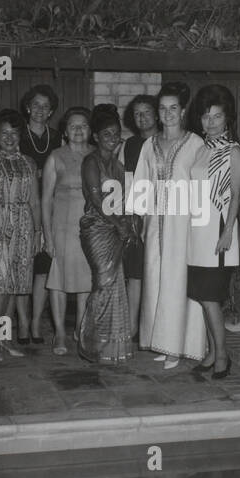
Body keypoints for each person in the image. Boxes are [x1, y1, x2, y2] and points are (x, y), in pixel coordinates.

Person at [133, 82, 207, 370]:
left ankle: (179, 346)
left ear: (183, 111)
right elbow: (141, 184)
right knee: (155, 281)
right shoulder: (149, 145)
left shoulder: (195, 144)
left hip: (183, 225)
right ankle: (162, 342)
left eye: (173, 108)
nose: (167, 114)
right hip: (155, 224)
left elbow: (201, 187)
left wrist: (199, 226)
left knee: (178, 283)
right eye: (162, 109)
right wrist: (140, 219)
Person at [187, 84, 240, 379]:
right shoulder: (200, 149)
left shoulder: (232, 151)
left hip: (218, 232)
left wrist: (227, 233)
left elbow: (236, 195)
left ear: (227, 119)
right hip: (198, 232)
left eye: (216, 117)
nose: (210, 122)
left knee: (210, 297)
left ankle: (222, 355)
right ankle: (212, 351)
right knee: (202, 295)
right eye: (205, 117)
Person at [0, 109, 41, 362]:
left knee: (15, 287)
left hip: (23, 226)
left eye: (14, 133)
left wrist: (37, 232)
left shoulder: (29, 163)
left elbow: (34, 201)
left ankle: (5, 337)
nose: (10, 138)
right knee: (0, 287)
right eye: (4, 133)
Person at [78, 105, 138, 363]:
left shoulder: (119, 164)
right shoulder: (91, 161)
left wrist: (126, 223)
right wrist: (118, 223)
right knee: (103, 283)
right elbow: (94, 197)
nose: (112, 139)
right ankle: (89, 343)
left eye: (116, 134)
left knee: (114, 286)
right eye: (107, 135)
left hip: (116, 228)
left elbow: (123, 199)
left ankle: (110, 347)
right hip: (97, 228)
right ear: (96, 137)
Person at [42, 107, 94, 355]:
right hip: (62, 227)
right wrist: (47, 236)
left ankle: (81, 330)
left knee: (86, 283)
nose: (78, 130)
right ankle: (60, 333)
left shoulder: (97, 155)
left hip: (90, 230)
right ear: (65, 130)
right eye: (73, 125)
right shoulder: (56, 156)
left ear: (90, 129)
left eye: (83, 125)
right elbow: (45, 200)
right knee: (58, 282)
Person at [17, 84, 62, 344]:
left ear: (51, 111)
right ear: (27, 107)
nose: (40, 110)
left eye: (45, 106)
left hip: (50, 209)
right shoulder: (17, 135)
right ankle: (22, 323)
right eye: (35, 105)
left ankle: (35, 322)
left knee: (43, 269)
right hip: (22, 208)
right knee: (23, 268)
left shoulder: (57, 138)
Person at [121, 94, 158, 340]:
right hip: (135, 216)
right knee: (134, 274)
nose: (142, 117)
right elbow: (124, 182)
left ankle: (155, 329)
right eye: (137, 113)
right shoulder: (129, 145)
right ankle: (133, 328)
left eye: (146, 112)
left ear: (156, 115)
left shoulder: (164, 141)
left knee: (156, 274)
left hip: (161, 217)